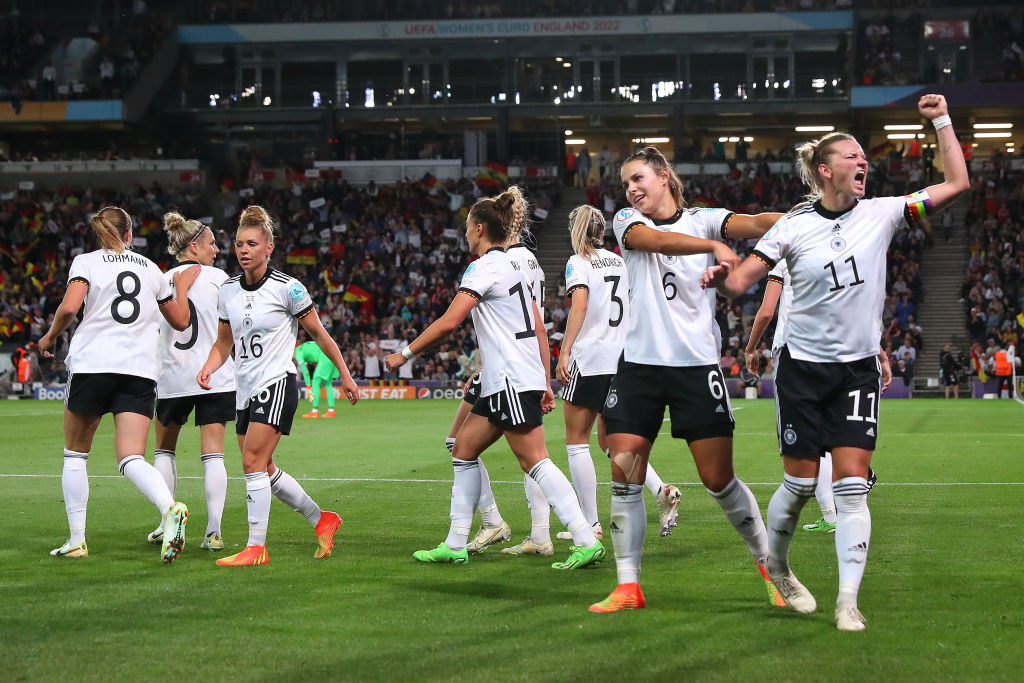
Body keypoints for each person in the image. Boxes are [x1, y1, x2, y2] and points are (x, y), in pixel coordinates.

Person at [703, 94, 968, 630]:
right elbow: (742, 282)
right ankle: (777, 565)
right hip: (801, 369)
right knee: (801, 486)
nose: (863, 162)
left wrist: (941, 120)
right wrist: (721, 275)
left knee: (850, 485)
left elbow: (957, 183)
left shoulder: (883, 212)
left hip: (857, 370)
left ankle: (848, 601)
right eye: (852, 156)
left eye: (864, 157)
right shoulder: (793, 225)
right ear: (826, 170)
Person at [589, 146, 784, 614]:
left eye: (638, 178)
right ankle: (628, 586)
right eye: (626, 183)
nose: (631, 189)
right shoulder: (627, 222)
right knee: (625, 474)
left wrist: (812, 219)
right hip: (639, 369)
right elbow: (655, 242)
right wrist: (712, 247)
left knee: (719, 480)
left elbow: (759, 222)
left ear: (663, 176)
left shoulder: (705, 219)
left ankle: (772, 568)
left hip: (696, 368)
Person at [385, 186, 605, 570]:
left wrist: (405, 354)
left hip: (508, 379)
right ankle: (455, 543)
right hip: (511, 378)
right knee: (462, 449)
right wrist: (543, 380)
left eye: (467, 226)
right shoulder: (520, 265)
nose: (464, 233)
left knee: (535, 460)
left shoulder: (484, 267)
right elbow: (539, 326)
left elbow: (450, 322)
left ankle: (585, 539)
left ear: (480, 228)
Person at [198, 205, 359, 566]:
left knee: (252, 462)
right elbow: (224, 342)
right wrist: (208, 368)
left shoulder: (288, 288)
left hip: (277, 382)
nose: (244, 250)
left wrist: (345, 375)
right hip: (244, 390)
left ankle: (256, 548)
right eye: (239, 244)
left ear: (268, 248)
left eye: (252, 244)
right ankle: (321, 518)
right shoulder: (227, 290)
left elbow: (320, 334)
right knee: (264, 467)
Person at [38, 206, 198, 562]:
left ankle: (77, 540)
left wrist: (49, 337)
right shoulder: (152, 270)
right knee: (131, 457)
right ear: (129, 234)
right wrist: (182, 288)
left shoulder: (86, 262)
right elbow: (181, 321)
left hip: (93, 364)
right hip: (139, 369)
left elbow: (70, 308)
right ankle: (169, 508)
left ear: (99, 233)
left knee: (75, 454)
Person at [554, 204, 683, 546]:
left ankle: (590, 525)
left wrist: (565, 350)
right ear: (602, 231)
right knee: (608, 441)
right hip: (621, 358)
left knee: (576, 441)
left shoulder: (578, 262)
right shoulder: (618, 261)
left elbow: (580, 305)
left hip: (590, 358)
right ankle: (662, 490)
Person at [743, 261, 888, 536]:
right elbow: (849, 310)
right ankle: (848, 498)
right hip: (836, 351)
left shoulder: (784, 259)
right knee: (829, 439)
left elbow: (767, 312)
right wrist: (879, 353)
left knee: (806, 446)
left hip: (795, 354)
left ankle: (831, 514)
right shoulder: (833, 258)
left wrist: (751, 348)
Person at [147, 212, 236, 553]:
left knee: (163, 449)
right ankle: (214, 532)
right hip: (216, 375)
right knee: (213, 455)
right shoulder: (220, 279)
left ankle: (167, 521)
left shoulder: (161, 280)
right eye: (212, 243)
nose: (217, 249)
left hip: (173, 376)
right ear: (194, 247)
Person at [295, 339, 340, 418]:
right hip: (331, 355)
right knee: (328, 384)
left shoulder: (297, 353)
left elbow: (305, 372)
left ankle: (315, 411)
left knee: (315, 382)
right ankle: (331, 410)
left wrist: (308, 387)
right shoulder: (303, 346)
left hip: (325, 358)